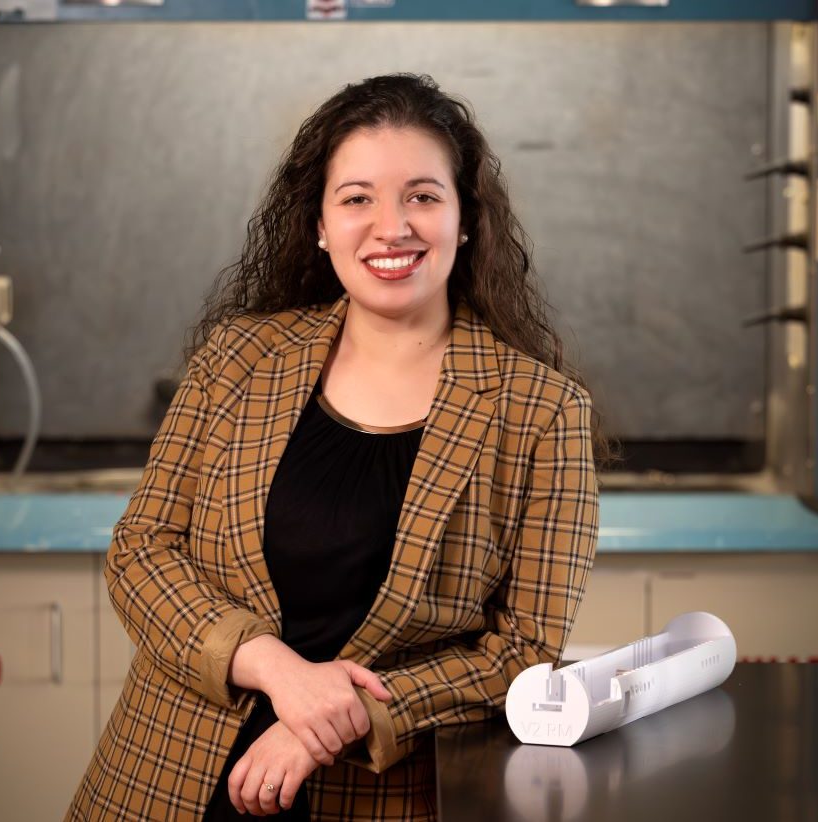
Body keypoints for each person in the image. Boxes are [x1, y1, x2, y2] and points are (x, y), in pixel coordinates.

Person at [66, 73, 604, 821]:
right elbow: (141, 549)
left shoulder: (543, 412)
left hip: (376, 795)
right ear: (319, 224)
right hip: (164, 778)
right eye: (357, 199)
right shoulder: (239, 357)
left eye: (422, 196)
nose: (392, 227)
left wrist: (339, 717)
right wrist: (275, 669)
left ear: (465, 219)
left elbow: (523, 651)